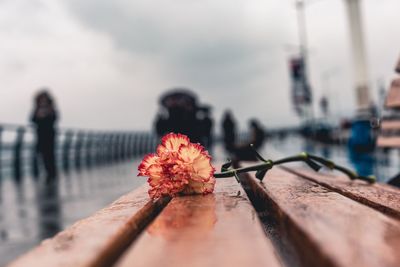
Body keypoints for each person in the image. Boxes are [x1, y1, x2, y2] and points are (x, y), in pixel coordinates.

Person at [31, 90, 58, 181]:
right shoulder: (36, 109)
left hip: (49, 135)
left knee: (50, 154)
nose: (43, 101)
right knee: (42, 154)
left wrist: (46, 116)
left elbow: (55, 118)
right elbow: (32, 119)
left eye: (44, 98)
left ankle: (51, 174)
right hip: (40, 135)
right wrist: (39, 116)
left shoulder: (51, 108)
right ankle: (48, 173)